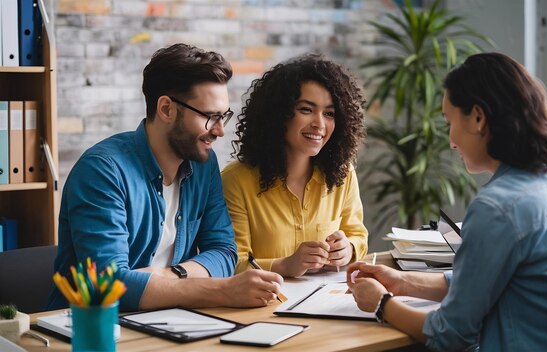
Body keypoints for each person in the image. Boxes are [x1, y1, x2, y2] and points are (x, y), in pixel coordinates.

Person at [347, 52, 547, 351]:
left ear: (478, 118)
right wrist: (403, 283)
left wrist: (381, 303)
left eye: (449, 121)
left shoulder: (498, 208)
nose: (451, 139)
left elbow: (449, 335)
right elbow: (491, 283)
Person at [48, 44, 283, 311]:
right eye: (210, 117)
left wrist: (168, 275)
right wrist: (221, 290)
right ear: (167, 109)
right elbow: (108, 284)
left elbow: (224, 252)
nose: (219, 131)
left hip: (172, 319)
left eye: (223, 117)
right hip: (92, 331)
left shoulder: (204, 165)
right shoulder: (102, 171)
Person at [222, 54, 368, 276]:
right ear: (279, 115)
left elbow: (358, 235)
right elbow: (231, 262)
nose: (319, 124)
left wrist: (348, 249)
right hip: (263, 305)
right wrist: (285, 265)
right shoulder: (236, 180)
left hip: (326, 302)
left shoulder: (342, 174)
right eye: (306, 110)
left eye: (329, 113)